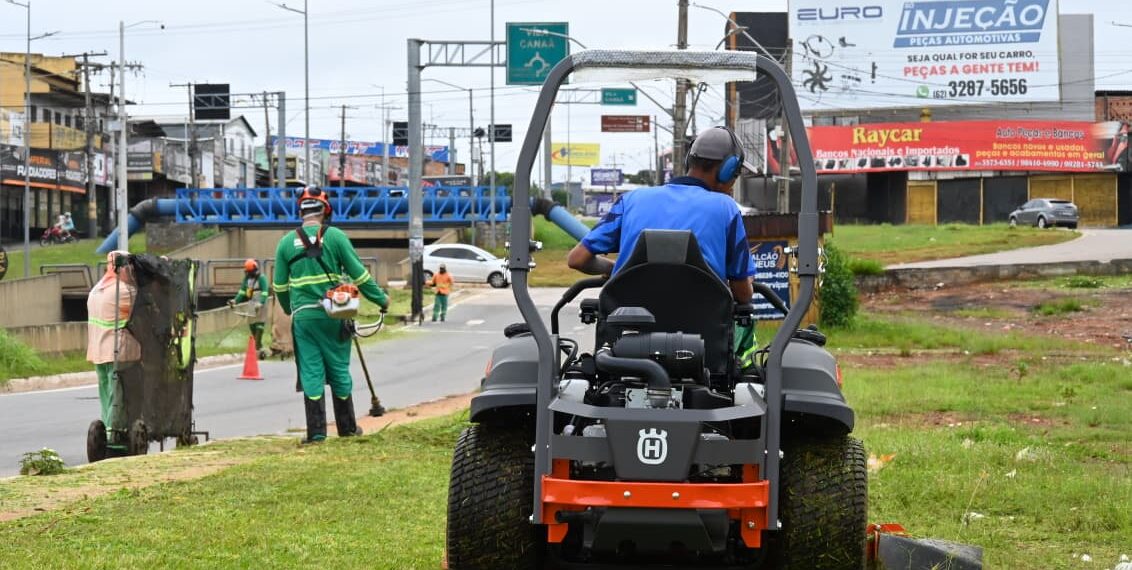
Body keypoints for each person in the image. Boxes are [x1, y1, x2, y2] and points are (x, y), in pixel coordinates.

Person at [567, 126, 758, 367]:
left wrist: (615, 268)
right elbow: (742, 293)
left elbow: (577, 259)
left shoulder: (632, 200)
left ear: (690, 160)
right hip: (703, 354)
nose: (733, 183)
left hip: (624, 352)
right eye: (736, 174)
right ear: (728, 170)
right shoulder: (726, 209)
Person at [272, 186, 390, 444]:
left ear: (301, 211)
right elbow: (360, 275)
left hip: (304, 318)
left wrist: (291, 308)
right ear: (325, 211)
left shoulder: (284, 243)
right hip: (335, 313)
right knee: (338, 367)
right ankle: (347, 429)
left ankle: (316, 434)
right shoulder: (335, 236)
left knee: (311, 371)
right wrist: (382, 300)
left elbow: (279, 287)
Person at [86, 250, 141, 451]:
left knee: (106, 395)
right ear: (121, 267)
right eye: (129, 266)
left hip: (98, 352)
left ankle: (107, 432)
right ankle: (116, 437)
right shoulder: (125, 291)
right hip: (121, 351)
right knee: (119, 397)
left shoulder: (95, 291)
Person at [228, 259, 269, 355]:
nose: (249, 273)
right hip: (251, 302)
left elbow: (265, 292)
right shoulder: (247, 279)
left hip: (260, 303)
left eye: (250, 271)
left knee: (259, 323)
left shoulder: (262, 278)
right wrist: (235, 301)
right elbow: (242, 292)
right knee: (252, 324)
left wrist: (261, 302)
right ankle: (258, 346)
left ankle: (258, 346)